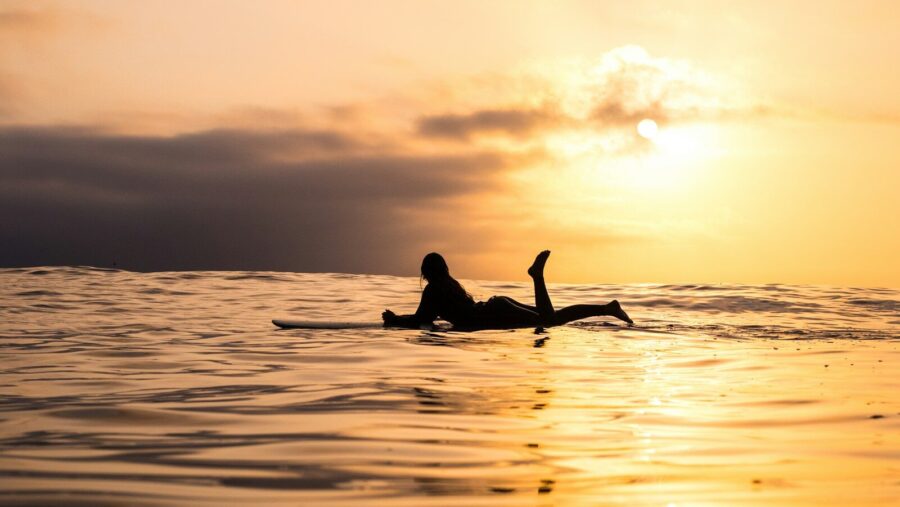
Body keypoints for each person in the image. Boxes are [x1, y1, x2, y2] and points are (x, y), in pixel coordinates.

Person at [382, 251, 633, 330]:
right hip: (496, 305)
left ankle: (537, 277)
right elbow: (426, 318)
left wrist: (394, 320)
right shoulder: (450, 285)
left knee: (548, 320)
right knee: (554, 317)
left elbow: (420, 320)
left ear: (426, 273)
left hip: (491, 315)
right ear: (444, 268)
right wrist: (400, 318)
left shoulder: (433, 291)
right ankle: (606, 308)